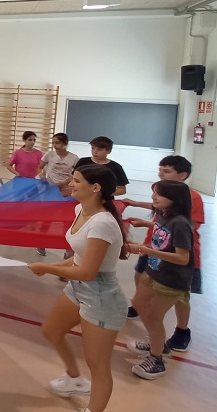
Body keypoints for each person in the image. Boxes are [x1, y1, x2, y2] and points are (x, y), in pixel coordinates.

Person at [27, 164, 129, 412]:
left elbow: (87, 272)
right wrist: (55, 265)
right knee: (52, 331)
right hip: (78, 288)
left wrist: (48, 268)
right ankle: (74, 379)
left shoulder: (102, 223)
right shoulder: (79, 209)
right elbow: (80, 257)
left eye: (76, 180)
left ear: (95, 188)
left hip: (102, 296)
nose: (70, 184)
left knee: (97, 364)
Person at [122, 155, 203, 351]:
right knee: (141, 276)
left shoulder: (191, 199)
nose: (161, 174)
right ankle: (143, 311)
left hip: (174, 258)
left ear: (182, 175)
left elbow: (184, 229)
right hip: (154, 249)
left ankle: (180, 332)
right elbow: (162, 220)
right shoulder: (162, 201)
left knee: (180, 297)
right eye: (160, 170)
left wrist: (150, 246)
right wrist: (146, 221)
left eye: (166, 171)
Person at [125, 180, 193, 380]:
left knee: (154, 317)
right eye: (154, 192)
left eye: (159, 194)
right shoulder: (163, 214)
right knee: (139, 304)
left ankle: (157, 359)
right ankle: (158, 341)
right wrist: (147, 225)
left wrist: (147, 250)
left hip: (171, 279)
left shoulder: (181, 223)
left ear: (175, 199)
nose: (153, 197)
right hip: (154, 270)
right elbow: (164, 232)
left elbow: (183, 258)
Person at [37, 132, 79, 197]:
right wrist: (41, 175)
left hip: (66, 188)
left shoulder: (74, 158)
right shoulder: (49, 154)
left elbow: (78, 173)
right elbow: (40, 167)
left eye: (57, 143)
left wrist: (68, 181)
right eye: (53, 143)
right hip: (51, 187)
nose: (54, 145)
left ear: (65, 143)